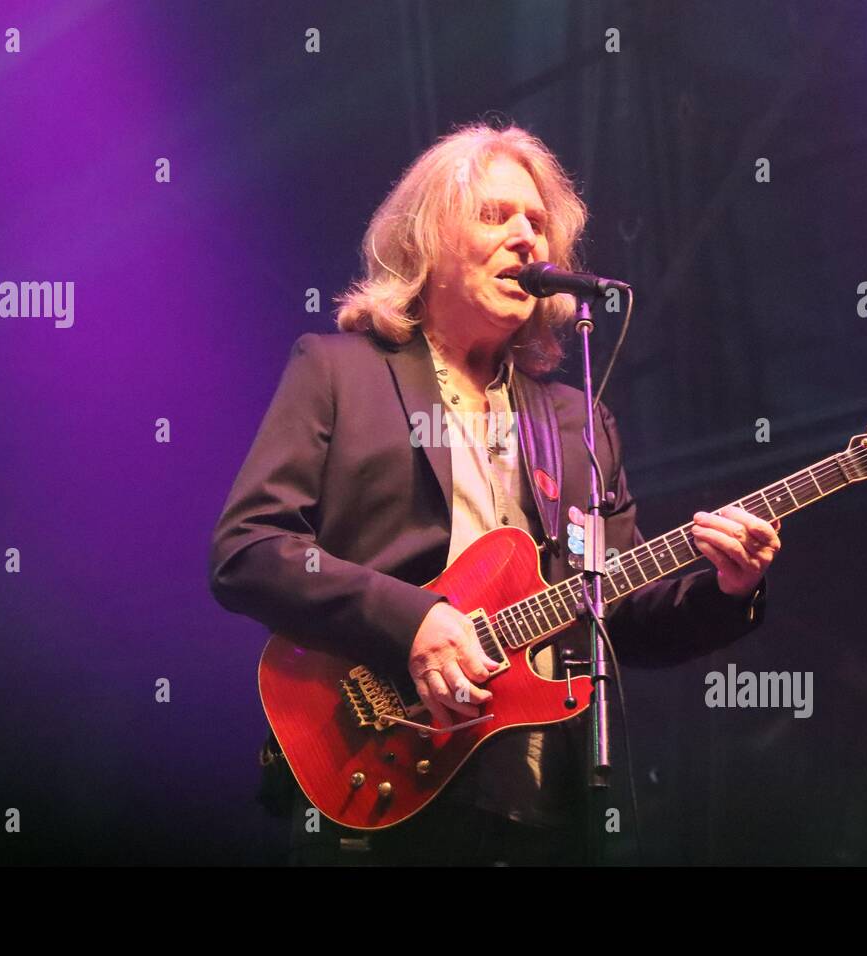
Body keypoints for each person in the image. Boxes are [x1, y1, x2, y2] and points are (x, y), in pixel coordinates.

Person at [209, 122, 781, 866]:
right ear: (428, 239)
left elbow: (620, 617)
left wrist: (728, 589)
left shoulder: (579, 421)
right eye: (495, 216)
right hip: (378, 769)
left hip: (542, 807)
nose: (525, 239)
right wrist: (414, 622)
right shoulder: (340, 372)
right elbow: (249, 550)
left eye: (538, 224)